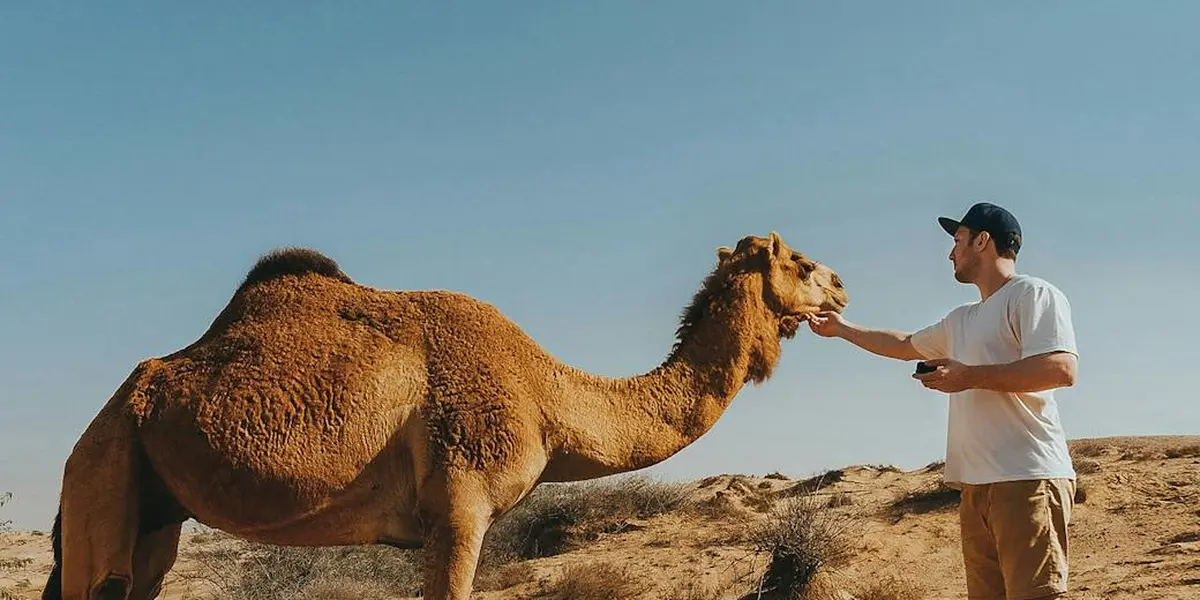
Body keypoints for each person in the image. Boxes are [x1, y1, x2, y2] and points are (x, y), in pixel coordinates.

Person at [807, 202, 1079, 600]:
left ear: (982, 241)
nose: (951, 253)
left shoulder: (1033, 294)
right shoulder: (961, 319)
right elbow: (903, 344)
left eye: (958, 240)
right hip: (975, 488)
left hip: (1027, 480)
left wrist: (969, 377)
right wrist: (842, 329)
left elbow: (1060, 369)